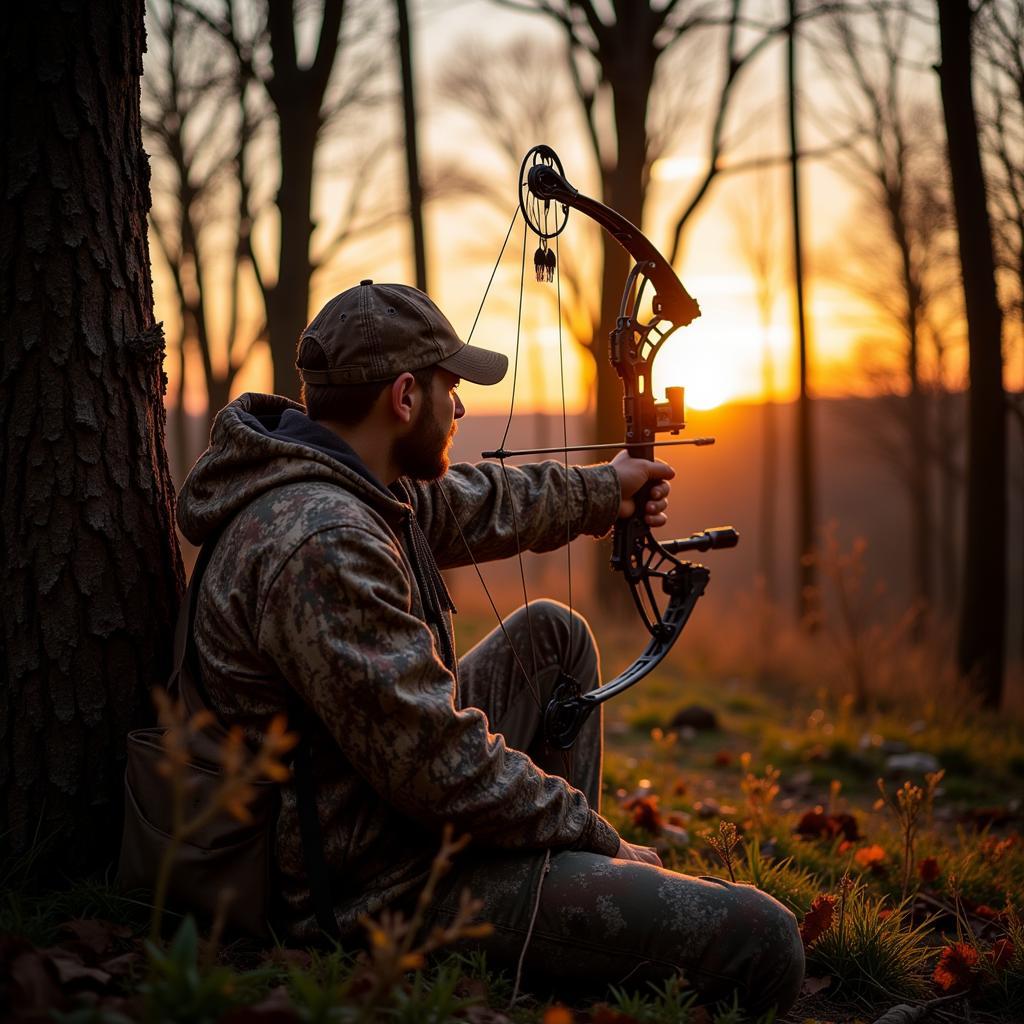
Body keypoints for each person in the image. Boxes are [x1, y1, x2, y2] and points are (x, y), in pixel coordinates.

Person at [176, 280, 804, 1012]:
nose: (463, 406)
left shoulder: (350, 482)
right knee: (765, 940)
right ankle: (569, 909)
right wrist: (598, 838)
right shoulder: (327, 542)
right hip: (369, 886)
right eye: (452, 387)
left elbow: (480, 502)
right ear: (405, 397)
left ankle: (562, 899)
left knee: (553, 639)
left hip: (378, 808)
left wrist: (609, 490)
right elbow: (441, 768)